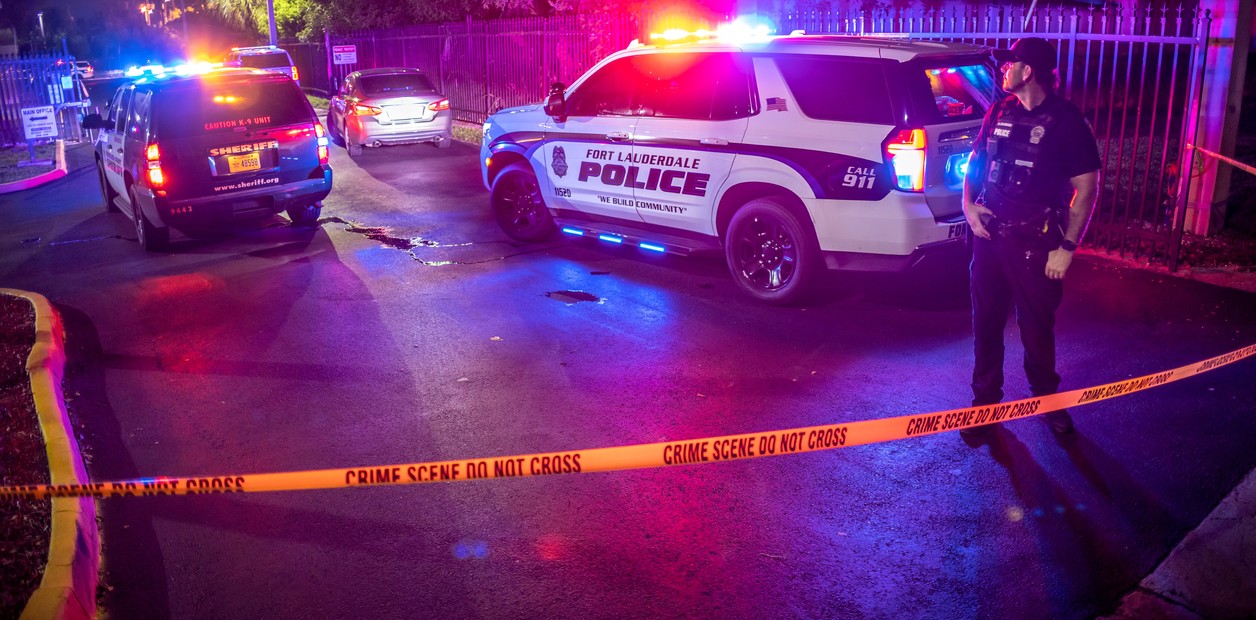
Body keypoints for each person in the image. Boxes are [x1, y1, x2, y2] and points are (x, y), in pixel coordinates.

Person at [961, 37, 1101, 438]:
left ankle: (1047, 402)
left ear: (1029, 71)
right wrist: (969, 206)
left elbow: (1086, 188)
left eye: (1012, 64)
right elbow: (975, 162)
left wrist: (1067, 248)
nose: (1005, 70)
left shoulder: (1067, 122)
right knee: (986, 323)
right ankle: (984, 405)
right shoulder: (999, 110)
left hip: (1036, 245)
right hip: (990, 238)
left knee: (1036, 330)